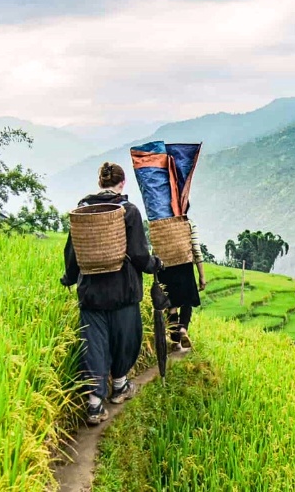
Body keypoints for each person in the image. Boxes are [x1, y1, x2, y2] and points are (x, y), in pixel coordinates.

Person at [61, 162, 163, 425]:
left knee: (93, 346)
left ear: (100, 182)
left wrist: (69, 278)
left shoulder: (82, 210)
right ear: (122, 183)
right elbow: (139, 255)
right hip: (123, 291)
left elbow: (73, 250)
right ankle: (119, 386)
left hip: (91, 293)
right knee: (125, 341)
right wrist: (155, 265)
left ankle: (94, 405)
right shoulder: (128, 211)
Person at [158, 219, 206, 351]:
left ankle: (175, 341)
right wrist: (202, 275)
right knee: (186, 301)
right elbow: (196, 250)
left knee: (172, 306)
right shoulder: (188, 223)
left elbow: (155, 249)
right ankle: (183, 329)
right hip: (185, 266)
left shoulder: (160, 224)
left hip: (165, 267)